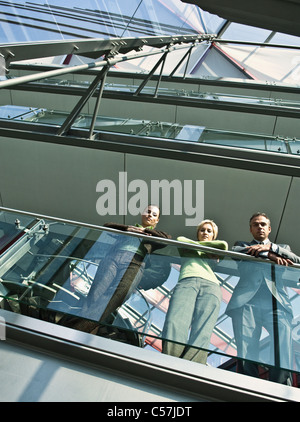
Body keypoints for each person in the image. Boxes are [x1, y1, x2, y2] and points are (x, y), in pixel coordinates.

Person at [59, 205, 171, 334]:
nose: (150, 215)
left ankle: (71, 327)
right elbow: (107, 226)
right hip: (113, 258)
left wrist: (147, 232)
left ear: (157, 221)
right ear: (142, 213)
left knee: (120, 294)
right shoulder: (130, 228)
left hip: (135, 263)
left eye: (154, 215)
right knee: (95, 295)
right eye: (148, 212)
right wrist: (128, 229)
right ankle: (85, 333)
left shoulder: (154, 235)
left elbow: (166, 239)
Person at [226, 212, 300, 385]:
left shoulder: (283, 248)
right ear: (251, 229)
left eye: (263, 224)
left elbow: (296, 260)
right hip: (246, 303)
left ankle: (280, 386)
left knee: (282, 346)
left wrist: (272, 249)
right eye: (255, 224)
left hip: (276, 304)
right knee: (246, 348)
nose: (259, 227)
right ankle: (247, 386)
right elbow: (235, 252)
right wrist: (270, 257)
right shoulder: (241, 245)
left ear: (269, 228)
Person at [162, 219, 228, 364]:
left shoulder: (208, 247)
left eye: (209, 231)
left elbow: (223, 245)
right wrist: (206, 249)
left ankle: (192, 365)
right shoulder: (188, 246)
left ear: (213, 236)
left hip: (211, 286)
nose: (205, 233)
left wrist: (200, 247)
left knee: (203, 329)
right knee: (175, 322)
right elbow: (180, 239)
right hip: (187, 281)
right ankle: (170, 362)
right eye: (202, 230)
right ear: (197, 233)